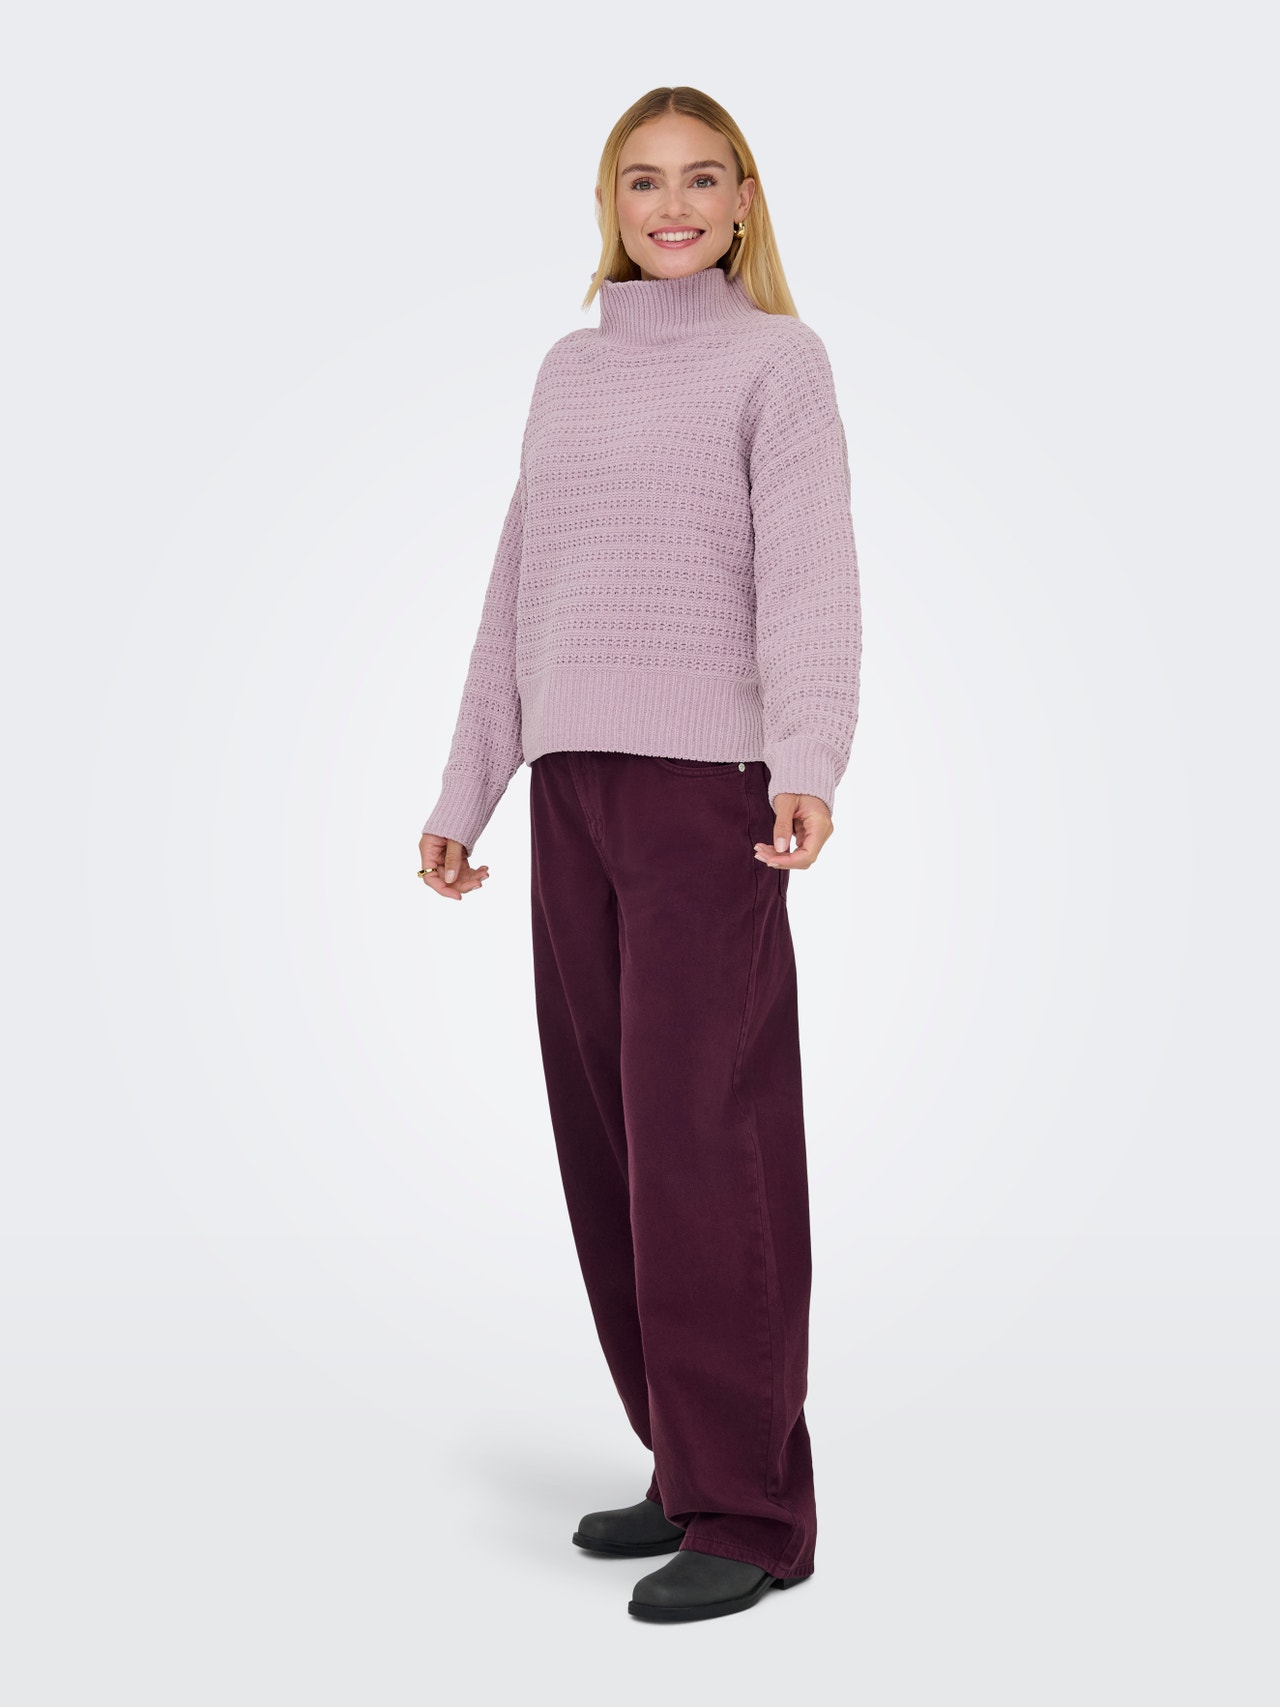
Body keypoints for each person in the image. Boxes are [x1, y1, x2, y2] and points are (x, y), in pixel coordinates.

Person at [417, 85, 862, 1624]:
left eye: (701, 180)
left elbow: (811, 576)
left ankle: (754, 1508)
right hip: (574, 794)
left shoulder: (779, 364)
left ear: (744, 205)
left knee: (701, 1141)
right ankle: (686, 1459)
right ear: (610, 205)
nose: (672, 206)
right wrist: (468, 789)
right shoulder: (569, 370)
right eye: (643, 181)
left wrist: (808, 762)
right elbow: (518, 586)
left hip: (706, 800)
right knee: (607, 1135)